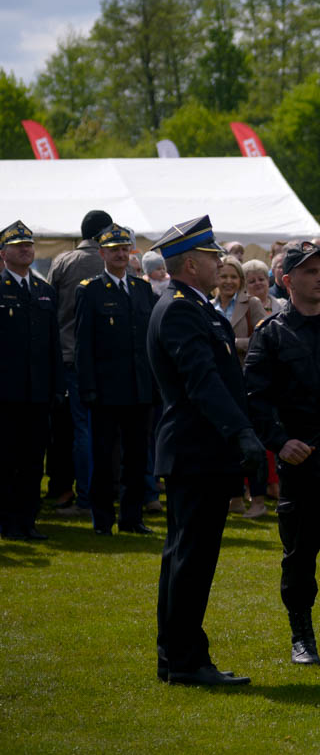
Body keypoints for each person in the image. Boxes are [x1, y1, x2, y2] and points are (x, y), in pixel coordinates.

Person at [149, 215, 266, 687]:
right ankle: (185, 659)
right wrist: (241, 433)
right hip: (197, 450)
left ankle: (176, 654)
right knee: (191, 559)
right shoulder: (181, 309)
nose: (220, 262)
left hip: (198, 450)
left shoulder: (194, 307)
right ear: (191, 264)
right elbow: (203, 382)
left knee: (185, 555)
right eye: (211, 256)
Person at [244, 241, 320, 665]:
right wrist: (279, 441)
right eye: (311, 271)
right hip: (302, 462)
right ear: (287, 280)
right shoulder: (272, 334)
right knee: (300, 555)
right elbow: (254, 398)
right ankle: (302, 635)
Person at [74, 223, 159, 536]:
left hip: (139, 389)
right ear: (102, 254)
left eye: (125, 249)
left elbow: (149, 341)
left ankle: (131, 518)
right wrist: (88, 387)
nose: (121, 255)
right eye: (114, 250)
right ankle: (102, 519)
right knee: (104, 458)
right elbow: (84, 345)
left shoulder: (142, 289)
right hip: (106, 390)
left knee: (137, 457)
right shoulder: (90, 290)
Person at [48, 208, 112, 514]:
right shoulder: (110, 260)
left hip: (68, 354)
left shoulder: (64, 261)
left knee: (74, 430)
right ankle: (97, 496)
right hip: (104, 357)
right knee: (103, 430)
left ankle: (76, 494)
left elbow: (49, 303)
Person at [0, 221, 62, 541]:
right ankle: (7, 522)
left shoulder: (44, 291)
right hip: (6, 393)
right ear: (4, 253)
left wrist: (57, 386)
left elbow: (53, 345)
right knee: (7, 459)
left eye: (29, 245)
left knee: (33, 461)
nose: (26, 249)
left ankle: (28, 520)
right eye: (18, 245)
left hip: (38, 393)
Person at [213, 256, 267, 369]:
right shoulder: (209, 306)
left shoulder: (252, 303)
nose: (229, 281)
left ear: (241, 280)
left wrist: (234, 343)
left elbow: (264, 340)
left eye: (233, 277)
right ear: (216, 278)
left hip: (245, 371)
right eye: (224, 276)